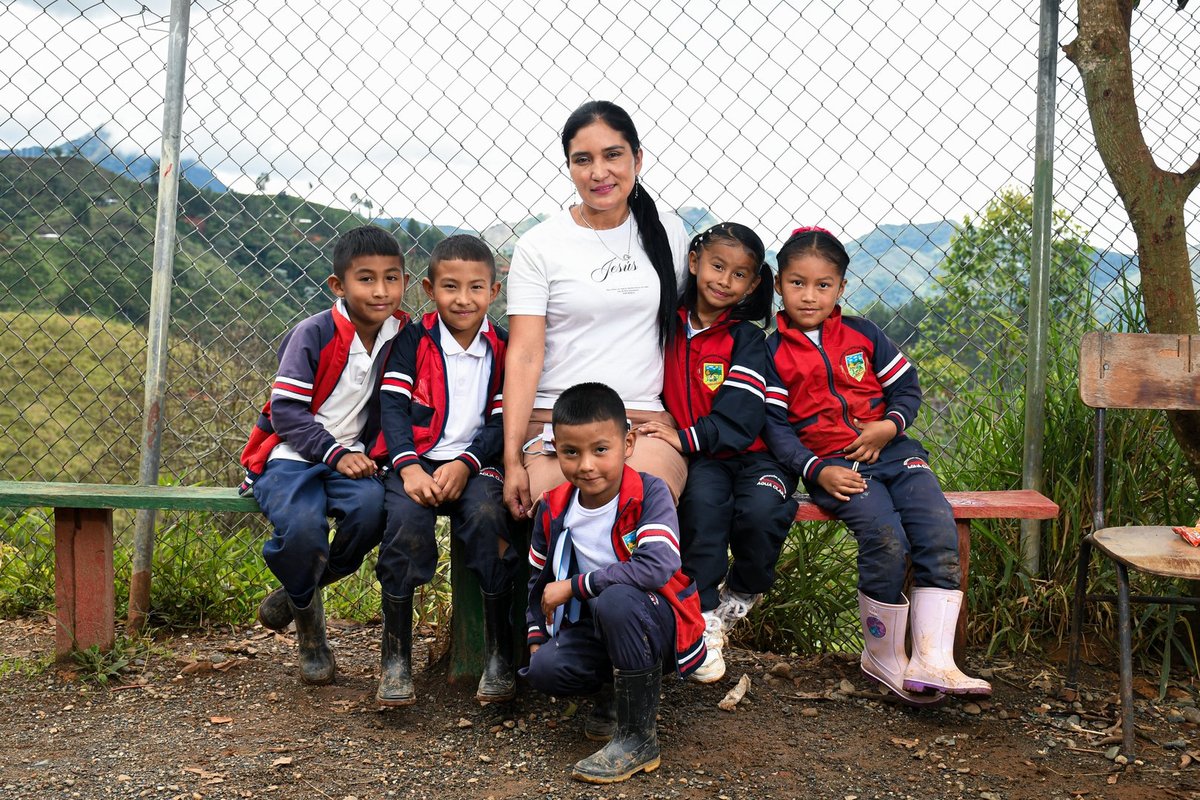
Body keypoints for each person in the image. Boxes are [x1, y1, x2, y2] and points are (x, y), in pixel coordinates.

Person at [763, 225, 991, 705]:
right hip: (836, 468)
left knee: (937, 532)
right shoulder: (771, 352)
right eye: (797, 283)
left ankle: (934, 660)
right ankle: (883, 656)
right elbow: (775, 427)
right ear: (779, 283)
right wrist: (815, 469)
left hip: (896, 454)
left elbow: (906, 388)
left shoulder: (863, 334)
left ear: (841, 287)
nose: (809, 295)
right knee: (886, 539)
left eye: (823, 285)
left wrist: (889, 425)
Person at [503, 100, 691, 522]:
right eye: (583, 160)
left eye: (613, 155)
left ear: (637, 159)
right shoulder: (540, 245)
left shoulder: (669, 234)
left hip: (641, 421)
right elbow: (525, 354)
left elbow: (690, 332)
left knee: (640, 502)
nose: (599, 172)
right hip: (557, 420)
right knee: (562, 512)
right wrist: (512, 459)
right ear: (570, 167)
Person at [239, 225, 409, 685]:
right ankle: (311, 635)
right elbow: (286, 411)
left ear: (405, 282)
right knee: (301, 529)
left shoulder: (403, 335)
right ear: (339, 285)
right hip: (293, 455)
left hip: (356, 457)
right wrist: (333, 454)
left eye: (391, 278)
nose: (381, 291)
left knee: (372, 512)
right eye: (366, 279)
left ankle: (297, 593)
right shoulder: (313, 333)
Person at [638, 223, 799, 684]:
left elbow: (742, 417)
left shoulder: (745, 339)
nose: (725, 280)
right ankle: (704, 616)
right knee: (702, 507)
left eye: (739, 274)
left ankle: (744, 592)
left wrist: (684, 437)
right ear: (694, 262)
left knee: (761, 513)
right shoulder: (664, 324)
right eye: (717, 266)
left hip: (758, 456)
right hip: (707, 458)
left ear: (753, 284)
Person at [523, 382, 707, 784]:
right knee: (544, 668)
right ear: (556, 449)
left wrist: (576, 586)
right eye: (571, 452)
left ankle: (638, 738)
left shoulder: (649, 493)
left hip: (656, 622)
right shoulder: (554, 506)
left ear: (628, 444)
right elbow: (539, 578)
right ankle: (612, 694)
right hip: (595, 626)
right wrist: (537, 631)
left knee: (616, 599)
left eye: (600, 450)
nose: (586, 465)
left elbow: (655, 567)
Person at [375, 234, 518, 707]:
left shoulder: (502, 347)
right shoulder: (411, 342)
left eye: (476, 288)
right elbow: (393, 409)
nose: (463, 299)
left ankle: (498, 654)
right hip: (414, 462)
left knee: (487, 519)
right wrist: (408, 467)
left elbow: (503, 419)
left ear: (493, 292)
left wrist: (467, 462)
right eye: (450, 287)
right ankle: (395, 659)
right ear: (429, 288)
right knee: (405, 526)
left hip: (477, 463)